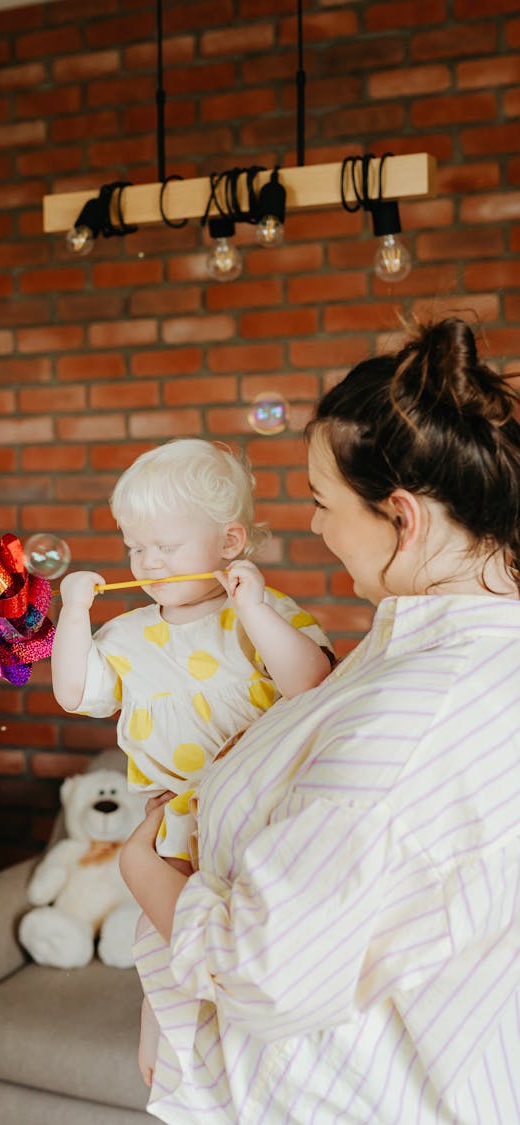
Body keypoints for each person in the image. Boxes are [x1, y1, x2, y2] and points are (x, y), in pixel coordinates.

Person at [119, 317, 520, 1125]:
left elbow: (265, 970)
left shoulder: (414, 712)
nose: (311, 525)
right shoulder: (421, 645)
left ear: (401, 517)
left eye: (321, 502)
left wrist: (143, 868)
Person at [51, 438, 334, 1086]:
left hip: (256, 817)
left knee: (246, 947)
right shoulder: (124, 635)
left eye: (165, 546)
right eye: (135, 546)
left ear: (230, 541)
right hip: (174, 823)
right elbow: (73, 692)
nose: (146, 562)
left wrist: (256, 608)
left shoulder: (255, 619)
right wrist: (72, 614)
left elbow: (311, 680)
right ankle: (163, 1023)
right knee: (169, 939)